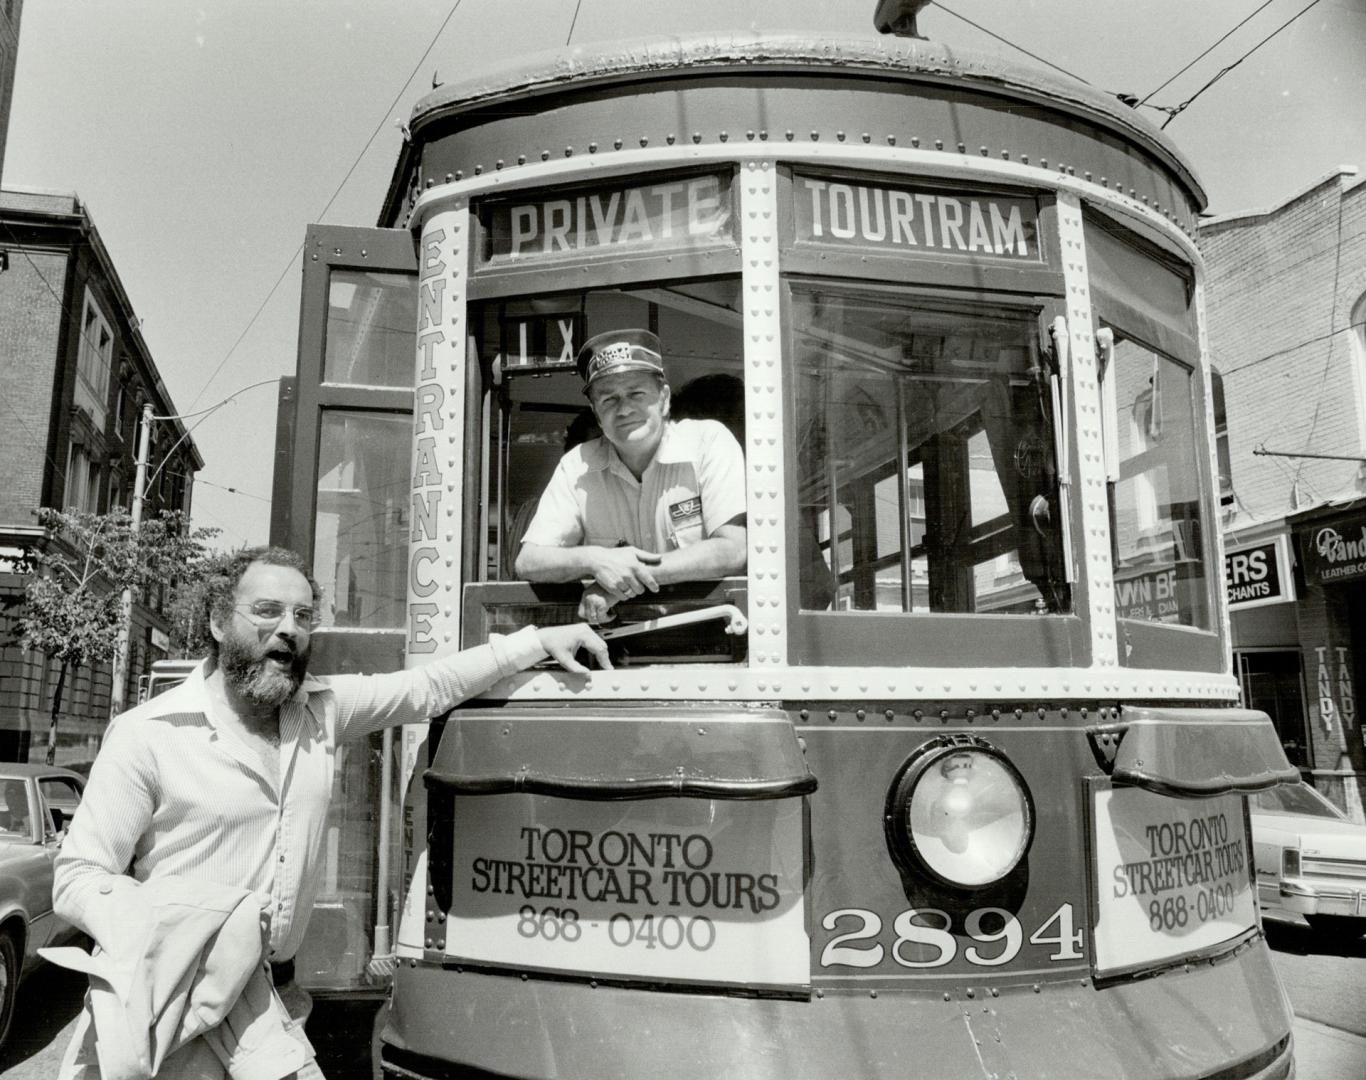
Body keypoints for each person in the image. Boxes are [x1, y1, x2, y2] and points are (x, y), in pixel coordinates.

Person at [52, 545, 609, 1079]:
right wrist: (169, 935)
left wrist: (538, 639)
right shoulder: (148, 734)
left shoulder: (320, 711)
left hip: (277, 1003)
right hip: (174, 1007)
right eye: (267, 611)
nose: (288, 629)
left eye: (302, 615)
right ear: (220, 624)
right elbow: (79, 876)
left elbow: (428, 686)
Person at [514, 329, 747, 623]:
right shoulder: (576, 465)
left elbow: (732, 549)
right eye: (608, 400)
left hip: (714, 637)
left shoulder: (708, 442)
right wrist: (597, 560)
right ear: (596, 413)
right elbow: (530, 561)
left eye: (636, 393)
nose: (624, 409)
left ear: (663, 399)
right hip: (616, 644)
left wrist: (622, 579)